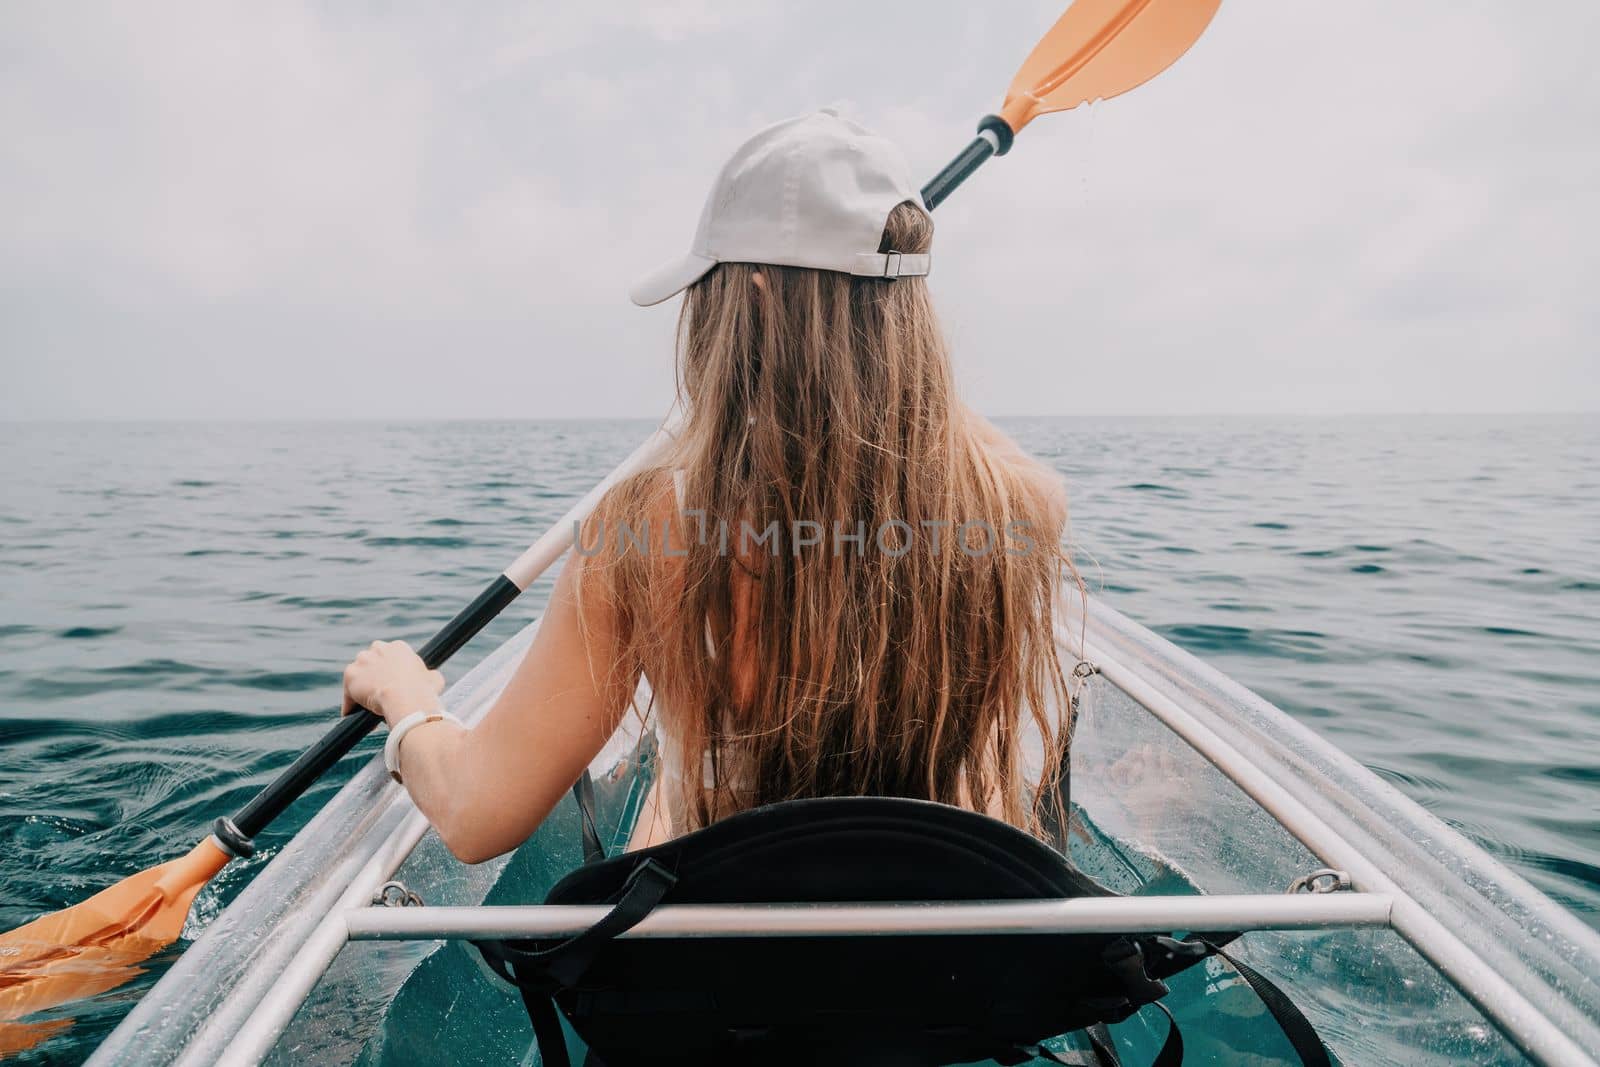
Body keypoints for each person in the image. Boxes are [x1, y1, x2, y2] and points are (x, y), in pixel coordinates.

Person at [340, 109, 1078, 863]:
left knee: (670, 792)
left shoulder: (644, 531)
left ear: (750, 302)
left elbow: (475, 814)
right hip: (952, 956)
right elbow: (952, 436)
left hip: (729, 959)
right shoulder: (1021, 508)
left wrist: (407, 703)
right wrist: (879, 320)